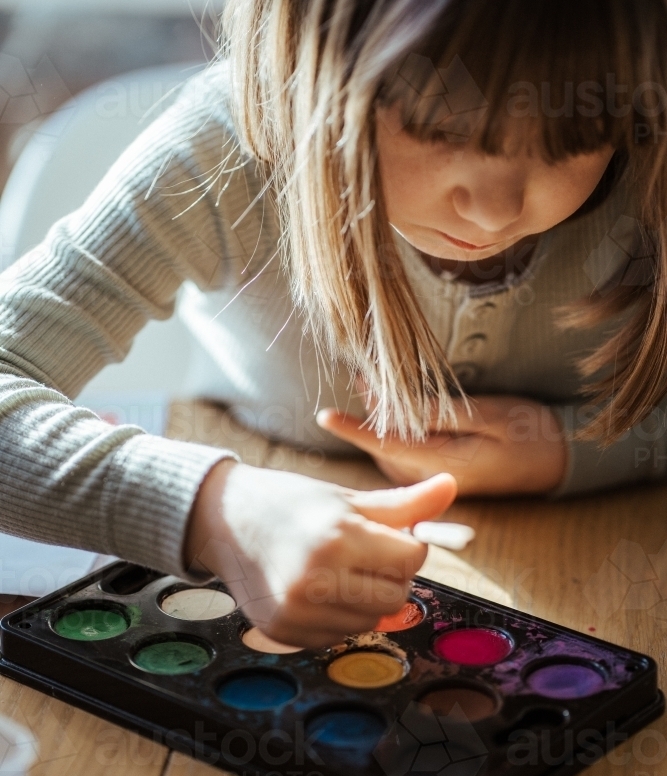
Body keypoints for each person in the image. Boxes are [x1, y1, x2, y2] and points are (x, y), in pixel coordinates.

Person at [0, 0, 665, 646]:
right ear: (306, 69)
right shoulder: (221, 149)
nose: (493, 211)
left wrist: (569, 452)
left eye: (574, 141)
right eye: (440, 129)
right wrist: (213, 511)